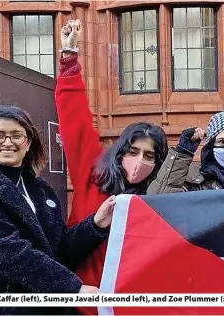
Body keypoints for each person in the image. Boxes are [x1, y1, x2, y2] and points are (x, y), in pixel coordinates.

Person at [0, 105, 113, 315]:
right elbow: (8, 253)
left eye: (17, 135)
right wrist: (72, 286)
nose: (7, 142)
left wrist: (95, 225)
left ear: (28, 143)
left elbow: (58, 248)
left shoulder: (42, 190)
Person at [55, 20, 168, 314]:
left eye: (149, 156)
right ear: (120, 152)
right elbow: (75, 120)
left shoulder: (155, 202)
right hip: (80, 306)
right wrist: (69, 61)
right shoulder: (93, 174)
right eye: (133, 152)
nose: (139, 161)